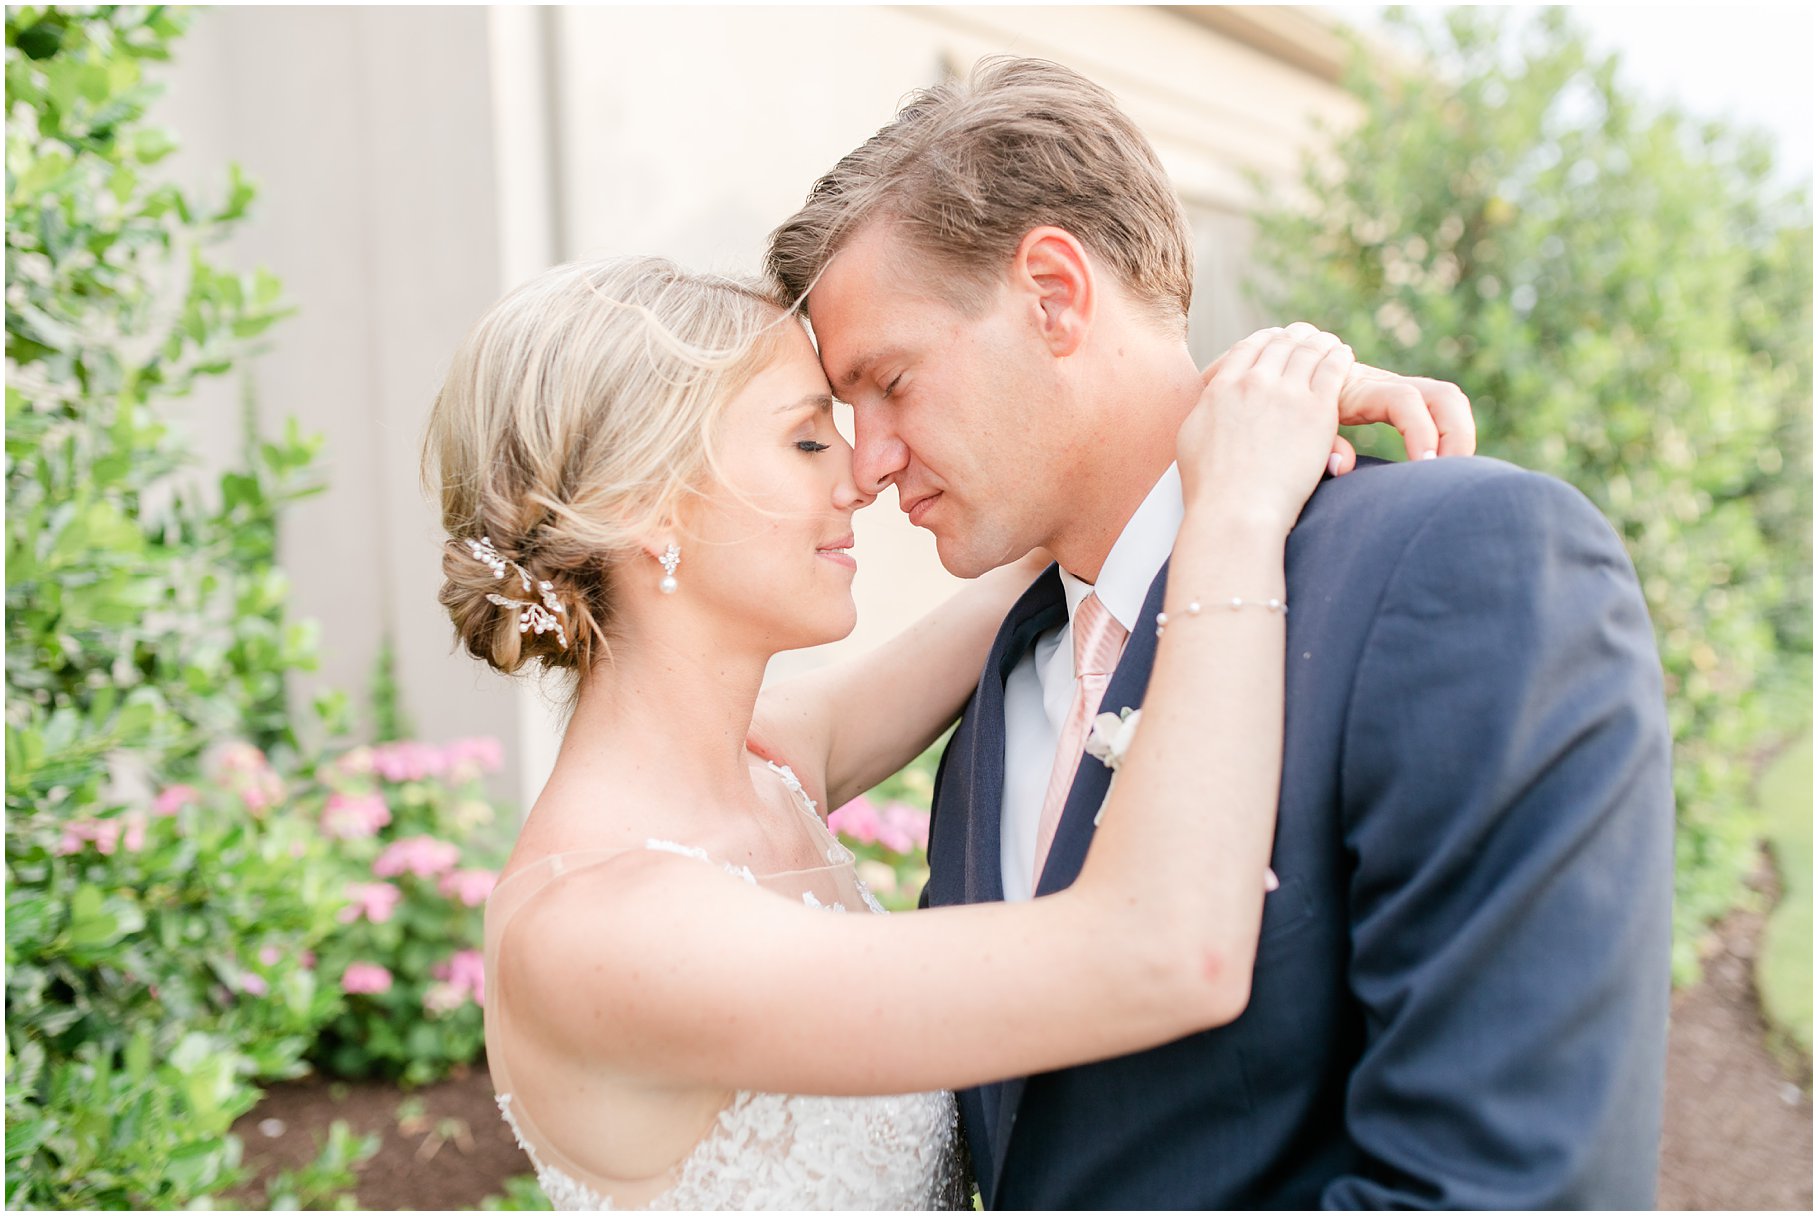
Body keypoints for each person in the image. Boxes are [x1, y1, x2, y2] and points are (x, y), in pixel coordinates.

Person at [766, 55, 1675, 1209]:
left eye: (889, 381)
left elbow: (1511, 1188)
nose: (869, 456)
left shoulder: (1458, 565)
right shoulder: (995, 693)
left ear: (1054, 293)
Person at [423, 255, 1459, 1209]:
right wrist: (1235, 513)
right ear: (645, 505)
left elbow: (1075, 516)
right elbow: (1159, 950)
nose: (859, 475)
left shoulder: (766, 762)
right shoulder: (604, 929)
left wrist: (1232, 407)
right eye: (805, 437)